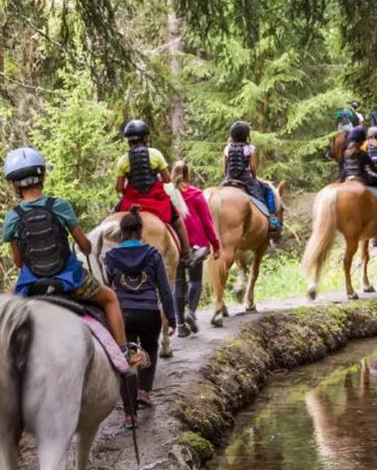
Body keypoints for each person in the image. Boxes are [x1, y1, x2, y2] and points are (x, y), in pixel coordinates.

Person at [1, 146, 138, 366]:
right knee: (110, 298)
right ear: (42, 176)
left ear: (14, 184)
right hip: (70, 280)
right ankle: (124, 354)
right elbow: (84, 245)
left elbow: (18, 262)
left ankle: (5, 365)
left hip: (31, 285)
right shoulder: (60, 206)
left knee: (1, 312)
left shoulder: (12, 217)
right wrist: (81, 247)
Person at [105, 206, 177, 421]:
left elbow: (107, 287)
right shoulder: (153, 253)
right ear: (140, 231)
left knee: (128, 356)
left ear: (122, 232)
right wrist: (172, 317)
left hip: (124, 313)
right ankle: (144, 391)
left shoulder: (111, 256)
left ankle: (130, 413)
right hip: (149, 312)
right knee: (150, 349)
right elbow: (164, 288)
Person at [114, 119, 209, 267]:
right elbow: (166, 180)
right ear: (146, 138)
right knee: (177, 221)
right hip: (156, 199)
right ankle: (187, 253)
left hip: (132, 201)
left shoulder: (123, 160)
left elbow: (119, 188)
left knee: (111, 218)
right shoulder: (155, 154)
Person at [171, 160, 220, 338]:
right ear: (188, 175)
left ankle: (180, 325)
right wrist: (216, 244)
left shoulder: (168, 194)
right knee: (195, 279)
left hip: (175, 244)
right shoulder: (196, 194)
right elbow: (207, 222)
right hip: (196, 243)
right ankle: (191, 312)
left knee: (178, 282)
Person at [221, 120, 281, 233]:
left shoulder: (227, 148)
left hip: (229, 178)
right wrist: (254, 178)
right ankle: (272, 218)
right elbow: (252, 167)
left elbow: (225, 167)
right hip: (245, 179)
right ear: (246, 135)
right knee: (268, 191)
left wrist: (227, 178)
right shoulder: (250, 148)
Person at [338, 125, 377, 203]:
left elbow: (344, 169)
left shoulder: (346, 153)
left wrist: (341, 180)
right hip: (361, 179)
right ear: (362, 140)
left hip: (348, 178)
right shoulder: (362, 154)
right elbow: (373, 168)